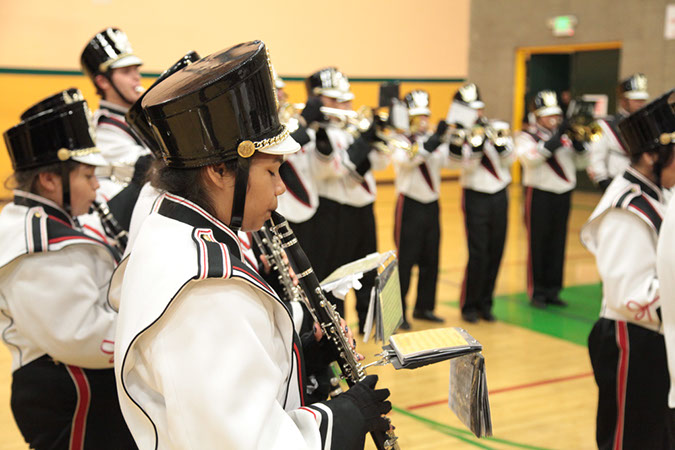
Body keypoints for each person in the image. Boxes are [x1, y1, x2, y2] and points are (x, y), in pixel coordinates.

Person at [112, 41, 392, 449]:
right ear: (218, 170)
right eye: (272, 171)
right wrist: (344, 415)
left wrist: (299, 342)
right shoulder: (207, 291)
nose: (280, 188)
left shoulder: (173, 229)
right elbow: (245, 441)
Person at [0, 95, 136, 449]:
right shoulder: (38, 244)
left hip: (78, 385)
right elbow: (79, 337)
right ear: (48, 179)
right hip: (70, 390)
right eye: (88, 175)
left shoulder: (49, 223)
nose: (96, 186)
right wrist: (149, 332)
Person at [582, 89, 675, 450]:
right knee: (629, 439)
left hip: (655, 337)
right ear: (652, 155)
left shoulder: (657, 192)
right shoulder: (626, 209)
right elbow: (629, 296)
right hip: (632, 339)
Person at [303, 67, 389, 333]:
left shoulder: (352, 127)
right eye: (334, 100)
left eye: (345, 100)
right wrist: (362, 144)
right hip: (334, 212)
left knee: (368, 273)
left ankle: (370, 327)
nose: (343, 106)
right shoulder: (317, 132)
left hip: (364, 209)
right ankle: (335, 331)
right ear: (318, 100)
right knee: (335, 279)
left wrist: (375, 137)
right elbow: (330, 170)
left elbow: (383, 163)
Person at [515, 90, 590, 309]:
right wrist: (555, 141)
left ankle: (553, 290)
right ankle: (536, 291)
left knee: (558, 243)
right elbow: (531, 159)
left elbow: (581, 165)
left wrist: (579, 146)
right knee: (538, 243)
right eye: (548, 116)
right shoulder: (526, 137)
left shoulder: (567, 136)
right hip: (539, 194)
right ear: (537, 117)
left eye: (556, 115)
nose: (554, 119)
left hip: (563, 194)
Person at [447, 83, 514, 323]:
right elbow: (457, 165)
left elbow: (510, 159)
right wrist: (474, 146)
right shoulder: (456, 134)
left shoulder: (498, 127)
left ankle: (487, 303)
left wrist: (498, 143)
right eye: (470, 110)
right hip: (475, 195)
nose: (476, 114)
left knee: (496, 251)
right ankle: (469, 305)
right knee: (478, 253)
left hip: (500, 194)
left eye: (478, 109)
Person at [392, 90, 447, 328]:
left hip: (432, 203)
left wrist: (441, 140)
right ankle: (399, 312)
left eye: (426, 115)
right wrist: (432, 143)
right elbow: (408, 161)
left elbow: (446, 161)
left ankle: (425, 307)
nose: (423, 120)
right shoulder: (401, 141)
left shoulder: (433, 139)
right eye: (417, 116)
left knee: (431, 258)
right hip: (410, 203)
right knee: (406, 260)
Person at [80, 27, 151, 204]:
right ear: (103, 81)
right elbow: (148, 170)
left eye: (136, 69)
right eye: (126, 72)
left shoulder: (136, 117)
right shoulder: (103, 130)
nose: (137, 77)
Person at [587, 74, 650, 191]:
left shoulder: (648, 124)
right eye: (636, 100)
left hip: (643, 184)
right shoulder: (605, 125)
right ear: (623, 101)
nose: (641, 103)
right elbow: (596, 157)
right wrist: (603, 182)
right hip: (616, 184)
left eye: (643, 100)